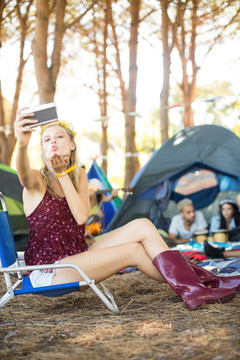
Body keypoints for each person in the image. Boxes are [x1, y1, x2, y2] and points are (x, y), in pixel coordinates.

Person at [13, 109, 239, 311]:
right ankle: (196, 288)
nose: (53, 142)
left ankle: (200, 284)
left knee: (143, 225)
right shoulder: (37, 180)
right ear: (42, 149)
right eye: (46, 139)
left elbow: (80, 215)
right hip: (50, 270)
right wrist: (22, 145)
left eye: (59, 136)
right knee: (133, 250)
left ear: (71, 144)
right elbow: (23, 174)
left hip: (78, 255)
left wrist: (65, 175)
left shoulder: (79, 175)